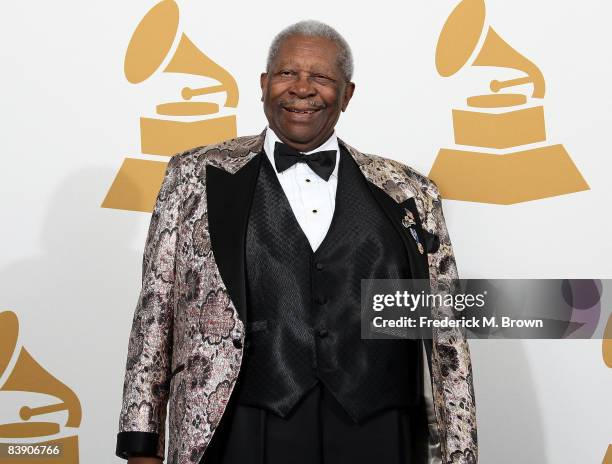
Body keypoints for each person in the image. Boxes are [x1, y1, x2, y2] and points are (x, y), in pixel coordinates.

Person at [115, 19, 477, 464]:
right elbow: (156, 312)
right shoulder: (195, 176)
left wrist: (461, 451)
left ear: (347, 94)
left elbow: (445, 328)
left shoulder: (409, 191)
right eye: (287, 73)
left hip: (379, 427)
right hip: (242, 423)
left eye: (322, 77)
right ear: (265, 84)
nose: (302, 88)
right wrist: (140, 443)